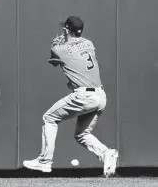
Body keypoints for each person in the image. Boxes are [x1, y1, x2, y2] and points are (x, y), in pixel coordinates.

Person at [23, 16, 118, 177]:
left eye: (64, 29)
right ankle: (106, 153)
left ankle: (45, 162)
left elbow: (54, 62)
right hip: (101, 96)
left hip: (84, 96)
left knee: (49, 118)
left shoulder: (60, 49)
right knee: (82, 134)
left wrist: (55, 44)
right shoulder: (89, 43)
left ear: (66, 30)